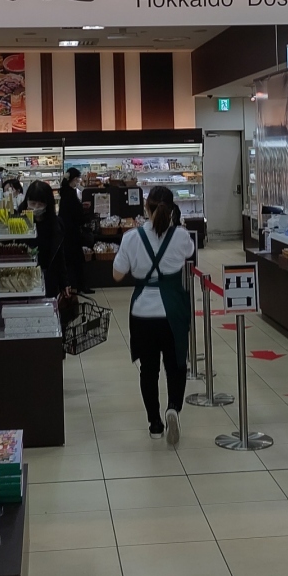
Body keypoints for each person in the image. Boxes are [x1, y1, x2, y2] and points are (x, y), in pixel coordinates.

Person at [113, 186, 193, 446]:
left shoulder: (131, 238)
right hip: (173, 311)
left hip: (142, 312)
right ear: (172, 209)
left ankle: (155, 423)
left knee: (149, 370)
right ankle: (173, 408)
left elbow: (117, 274)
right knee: (176, 365)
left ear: (145, 207)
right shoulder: (181, 236)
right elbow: (189, 254)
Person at [22, 181, 69, 299]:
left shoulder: (56, 225)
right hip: (24, 278)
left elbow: (60, 256)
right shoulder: (19, 222)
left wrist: (64, 282)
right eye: (33, 203)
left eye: (40, 204)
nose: (36, 207)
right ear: (27, 201)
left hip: (49, 278)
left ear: (47, 204)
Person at [59, 167, 94, 294]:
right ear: (74, 179)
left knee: (70, 261)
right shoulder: (71, 194)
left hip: (66, 232)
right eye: (78, 179)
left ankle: (73, 285)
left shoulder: (64, 192)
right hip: (73, 233)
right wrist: (86, 214)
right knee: (78, 261)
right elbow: (77, 215)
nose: (78, 182)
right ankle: (80, 286)